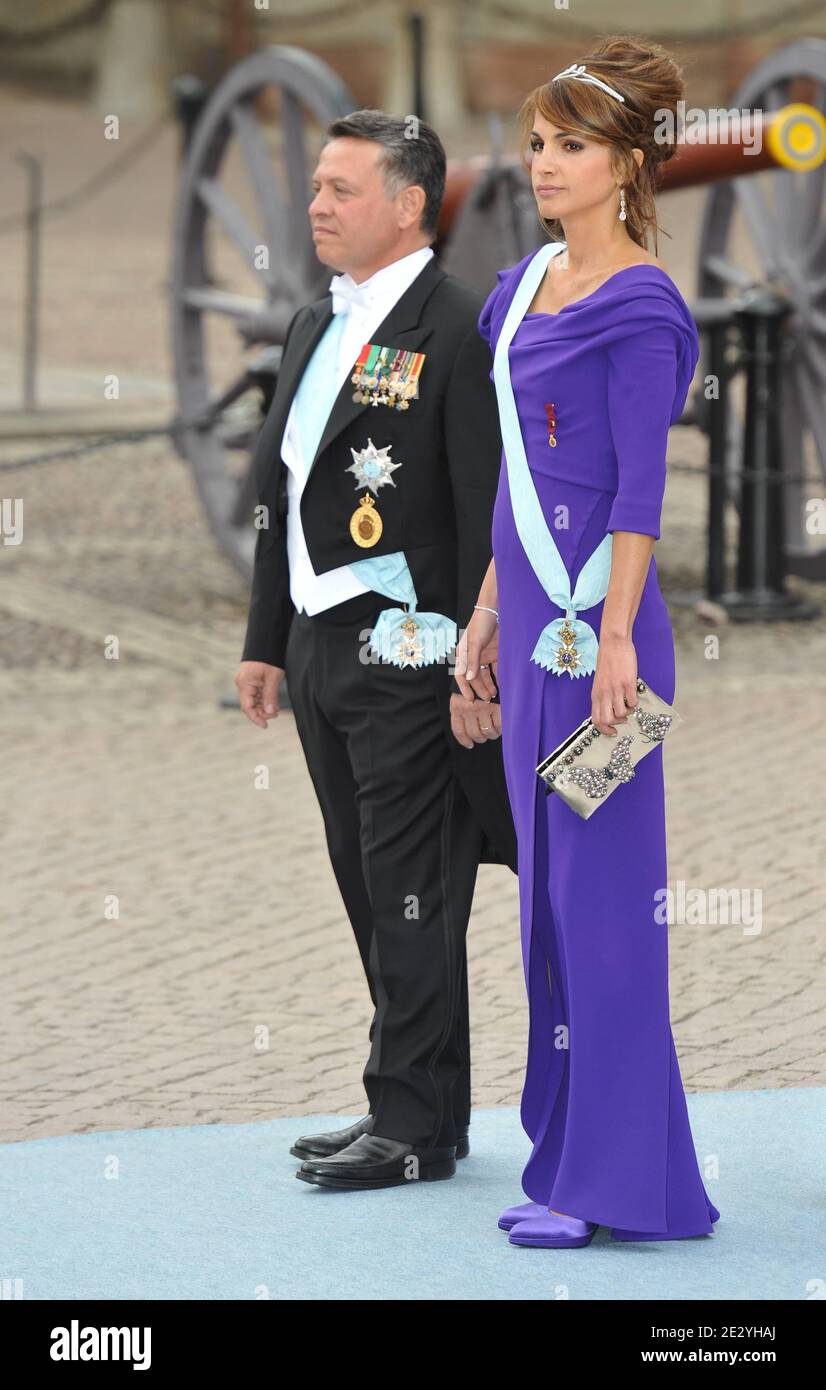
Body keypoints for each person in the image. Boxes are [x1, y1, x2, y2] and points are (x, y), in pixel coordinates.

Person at [455, 37, 721, 1247]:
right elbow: (516, 477)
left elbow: (634, 494)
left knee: (605, 907)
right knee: (546, 913)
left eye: (569, 147)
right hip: (529, 642)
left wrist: (613, 635)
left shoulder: (644, 305)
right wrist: (485, 613)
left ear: (626, 166)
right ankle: (575, 1165)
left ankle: (620, 1188)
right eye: (536, 145)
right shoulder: (513, 292)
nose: (543, 165)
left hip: (613, 657)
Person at [234, 110, 517, 1191]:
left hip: (413, 658)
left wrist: (470, 665)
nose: (316, 205)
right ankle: (421, 1112)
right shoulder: (315, 323)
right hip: (318, 648)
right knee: (367, 884)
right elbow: (285, 493)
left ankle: (405, 1127)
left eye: (342, 189)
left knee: (410, 889)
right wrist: (267, 641)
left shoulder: (457, 330)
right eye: (316, 186)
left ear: (409, 207)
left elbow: (480, 509)